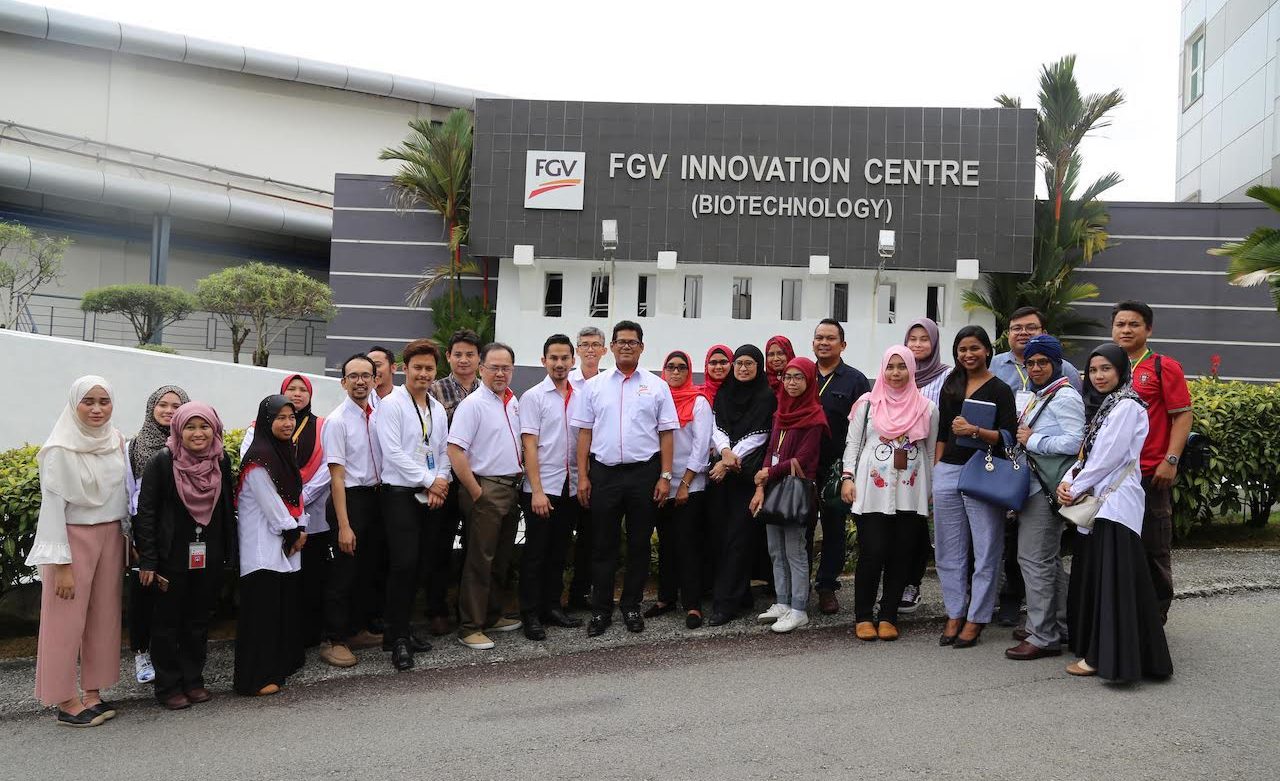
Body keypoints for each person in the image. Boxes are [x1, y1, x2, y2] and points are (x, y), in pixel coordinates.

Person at [1060, 344, 1172, 682]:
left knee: (1114, 585)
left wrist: (1074, 488)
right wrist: (1067, 481)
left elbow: (1108, 458)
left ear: (1121, 370)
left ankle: (1105, 658)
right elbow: (1087, 454)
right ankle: (1113, 653)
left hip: (1116, 505)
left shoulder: (1127, 406)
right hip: (1102, 503)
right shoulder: (1107, 405)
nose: (1098, 376)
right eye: (1093, 370)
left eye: (1106, 369)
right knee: (1109, 581)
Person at [27, 376, 128, 727]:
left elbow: (123, 494)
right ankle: (65, 700)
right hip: (71, 539)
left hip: (110, 536)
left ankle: (93, 693)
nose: (97, 409)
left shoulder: (116, 440)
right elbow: (52, 508)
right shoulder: (58, 448)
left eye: (104, 401)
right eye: (88, 401)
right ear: (74, 404)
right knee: (64, 622)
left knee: (104, 615)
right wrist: (61, 565)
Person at [572, 320, 678, 637]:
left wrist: (665, 476)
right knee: (603, 545)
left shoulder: (657, 386)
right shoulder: (595, 386)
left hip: (644, 474)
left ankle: (631, 606)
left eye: (633, 342)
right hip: (603, 474)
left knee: (639, 544)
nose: (627, 346)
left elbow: (667, 434)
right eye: (621, 341)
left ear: (641, 347)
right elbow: (584, 434)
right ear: (612, 347)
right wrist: (582, 477)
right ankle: (601, 610)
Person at [134, 402, 235, 709]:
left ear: (215, 429)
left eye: (204, 426)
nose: (198, 433)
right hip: (171, 555)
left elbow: (227, 509)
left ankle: (193, 680)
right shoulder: (163, 462)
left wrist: (229, 552)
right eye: (190, 427)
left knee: (198, 619)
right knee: (167, 623)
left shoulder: (221, 460)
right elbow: (146, 513)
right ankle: (168, 686)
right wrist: (149, 560)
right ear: (178, 430)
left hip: (209, 553)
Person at [841, 347, 939, 642]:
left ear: (912, 369)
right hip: (872, 490)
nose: (896, 373)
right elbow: (853, 445)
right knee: (872, 553)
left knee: (901, 555)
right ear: (883, 370)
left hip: (911, 491)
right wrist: (847, 478)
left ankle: (888, 616)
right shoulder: (867, 404)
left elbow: (930, 452)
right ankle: (863, 616)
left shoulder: (927, 408)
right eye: (890, 367)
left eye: (902, 367)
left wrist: (930, 490)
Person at [932, 325, 1018, 649]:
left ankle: (977, 617)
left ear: (987, 351)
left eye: (974, 348)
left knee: (986, 548)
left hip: (985, 471)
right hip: (949, 471)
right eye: (962, 349)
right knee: (947, 550)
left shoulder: (1000, 389)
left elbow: (1009, 437)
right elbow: (942, 432)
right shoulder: (951, 384)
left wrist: (975, 431)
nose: (968, 355)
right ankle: (954, 612)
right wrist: (938, 469)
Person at [1005, 335, 1085, 661]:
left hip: (1045, 488)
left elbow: (1075, 442)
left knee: (1033, 560)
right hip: (1035, 486)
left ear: (1056, 363)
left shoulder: (1065, 396)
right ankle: (1059, 624)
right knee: (1047, 560)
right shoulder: (1042, 394)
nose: (1036, 368)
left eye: (1043, 362)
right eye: (1031, 363)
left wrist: (1034, 440)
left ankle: (1043, 635)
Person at [1112, 300, 1192, 624]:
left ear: (1148, 329)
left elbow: (1182, 415)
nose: (1126, 330)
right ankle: (1122, 617)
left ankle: (1155, 619)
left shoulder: (1163, 366)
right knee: (1118, 547)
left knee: (1153, 548)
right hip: (1113, 477)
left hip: (1149, 473)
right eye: (1120, 324)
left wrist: (1170, 460)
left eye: (1134, 324)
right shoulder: (1106, 366)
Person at [375, 338, 451, 670]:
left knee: (421, 564)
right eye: (417, 367)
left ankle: (402, 629)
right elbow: (392, 452)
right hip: (400, 494)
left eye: (429, 368)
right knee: (403, 564)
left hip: (430, 494)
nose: (423, 373)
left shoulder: (436, 408)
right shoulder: (391, 404)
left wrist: (440, 482)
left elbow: (444, 450)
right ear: (405, 368)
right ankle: (397, 638)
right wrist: (429, 480)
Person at [448, 342, 526, 650]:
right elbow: (455, 450)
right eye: (494, 368)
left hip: (510, 487)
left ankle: (492, 615)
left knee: (501, 558)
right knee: (479, 560)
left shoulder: (512, 401)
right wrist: (476, 491)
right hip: (486, 488)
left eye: (506, 368)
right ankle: (470, 626)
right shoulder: (473, 404)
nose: (500, 373)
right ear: (482, 369)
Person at [233, 395, 306, 696]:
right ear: (266, 421)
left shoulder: (282, 453)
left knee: (274, 614)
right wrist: (295, 532)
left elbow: (294, 497)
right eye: (280, 417)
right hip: (261, 550)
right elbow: (273, 508)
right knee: (260, 617)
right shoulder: (259, 460)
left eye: (291, 417)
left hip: (278, 547)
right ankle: (253, 679)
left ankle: (272, 670)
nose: (288, 423)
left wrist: (299, 528)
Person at [751, 356, 828, 634]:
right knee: (775, 549)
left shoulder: (814, 416)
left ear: (809, 381)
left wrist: (768, 473)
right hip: (773, 488)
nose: (792, 383)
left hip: (795, 490)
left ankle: (799, 609)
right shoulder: (780, 413)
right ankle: (783, 602)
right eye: (788, 377)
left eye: (799, 377)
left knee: (795, 550)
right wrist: (762, 483)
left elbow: (804, 458)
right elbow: (770, 450)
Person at [318, 353, 385, 668]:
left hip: (376, 498)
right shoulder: (337, 421)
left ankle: (356, 629)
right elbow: (336, 477)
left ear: (375, 380)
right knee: (343, 572)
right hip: (349, 501)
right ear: (343, 382)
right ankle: (333, 639)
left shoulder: (380, 413)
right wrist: (344, 525)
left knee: (367, 569)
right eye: (353, 376)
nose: (360, 381)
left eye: (366, 375)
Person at [518, 335, 585, 639]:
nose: (559, 364)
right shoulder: (534, 397)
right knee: (536, 554)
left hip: (570, 486)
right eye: (553, 358)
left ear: (573, 360)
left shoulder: (581, 395)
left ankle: (552, 606)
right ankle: (530, 613)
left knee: (559, 551)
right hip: (542, 487)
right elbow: (529, 446)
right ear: (544, 361)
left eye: (564, 358)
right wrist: (537, 490)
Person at [706, 345, 776, 626]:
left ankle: (726, 604)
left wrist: (728, 460)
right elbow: (717, 427)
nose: (743, 368)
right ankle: (740, 594)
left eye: (749, 363)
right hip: (721, 479)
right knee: (719, 537)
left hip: (746, 479)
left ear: (759, 367)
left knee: (738, 539)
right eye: (739, 363)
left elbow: (760, 436)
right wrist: (725, 453)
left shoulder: (766, 397)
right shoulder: (725, 393)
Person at [124, 384, 189, 685]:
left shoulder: (191, 442)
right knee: (144, 593)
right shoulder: (134, 446)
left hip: (179, 530)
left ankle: (172, 653)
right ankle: (142, 652)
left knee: (175, 594)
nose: (169, 411)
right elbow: (127, 493)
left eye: (176, 406)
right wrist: (131, 536)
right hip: (145, 528)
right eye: (163, 405)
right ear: (152, 407)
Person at [649, 350, 714, 628]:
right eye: (671, 367)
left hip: (691, 484)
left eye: (681, 367)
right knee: (666, 543)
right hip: (661, 484)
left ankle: (692, 604)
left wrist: (685, 483)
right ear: (664, 371)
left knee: (688, 545)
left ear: (689, 371)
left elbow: (701, 446)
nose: (675, 372)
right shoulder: (657, 400)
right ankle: (666, 598)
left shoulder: (699, 402)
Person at [811, 319, 871, 614]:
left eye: (830, 338)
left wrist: (851, 470)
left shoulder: (855, 380)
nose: (824, 342)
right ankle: (792, 588)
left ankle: (827, 586)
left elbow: (862, 428)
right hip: (804, 465)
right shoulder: (802, 373)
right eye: (819, 337)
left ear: (842, 345)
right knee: (799, 526)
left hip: (837, 468)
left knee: (834, 529)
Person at [426, 329, 483, 634]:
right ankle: (436, 609)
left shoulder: (487, 389)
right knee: (440, 546)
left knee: (476, 547)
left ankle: (469, 609)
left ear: (479, 358)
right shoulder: (434, 390)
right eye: (458, 354)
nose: (464, 360)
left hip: (478, 479)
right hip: (446, 481)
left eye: (470, 354)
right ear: (448, 357)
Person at [896, 318, 949, 615]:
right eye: (912, 339)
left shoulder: (946, 376)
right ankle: (895, 583)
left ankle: (912, 585)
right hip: (894, 465)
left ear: (934, 343)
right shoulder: (897, 372)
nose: (917, 344)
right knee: (899, 526)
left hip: (930, 460)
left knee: (919, 526)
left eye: (924, 339)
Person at [565, 326, 608, 610]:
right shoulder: (565, 381)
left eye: (595, 344)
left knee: (592, 537)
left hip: (597, 472)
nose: (590, 349)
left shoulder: (609, 383)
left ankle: (581, 594)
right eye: (584, 344)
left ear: (604, 350)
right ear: (577, 350)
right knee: (560, 537)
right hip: (562, 471)